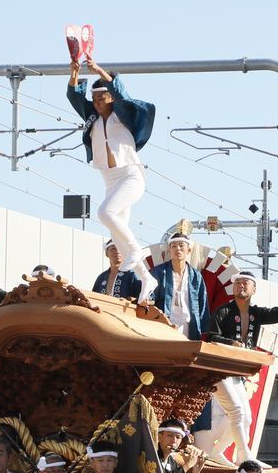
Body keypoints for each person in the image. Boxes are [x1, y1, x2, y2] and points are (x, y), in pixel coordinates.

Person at [198, 272, 278, 464]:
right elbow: (210, 336)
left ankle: (218, 451)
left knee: (247, 419)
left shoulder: (256, 314)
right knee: (236, 412)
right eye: (237, 283)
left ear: (254, 289)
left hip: (238, 374)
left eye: (245, 283)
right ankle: (245, 457)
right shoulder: (223, 311)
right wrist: (231, 343)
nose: (240, 286)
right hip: (220, 370)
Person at [66, 59, 158, 303]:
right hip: (109, 179)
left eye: (102, 98)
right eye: (95, 100)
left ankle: (137, 250)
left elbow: (122, 93)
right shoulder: (92, 118)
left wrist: (98, 71)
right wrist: (75, 73)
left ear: (111, 98)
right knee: (117, 235)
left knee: (105, 213)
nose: (97, 103)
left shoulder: (123, 114)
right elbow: (74, 98)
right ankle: (147, 278)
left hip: (131, 175)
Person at [148, 232, 209, 339]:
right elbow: (150, 296)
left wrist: (205, 333)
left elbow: (202, 306)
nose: (178, 249)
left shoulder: (196, 276)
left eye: (181, 246)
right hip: (164, 325)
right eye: (174, 246)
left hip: (189, 327)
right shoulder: (159, 272)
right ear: (169, 251)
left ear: (188, 250)